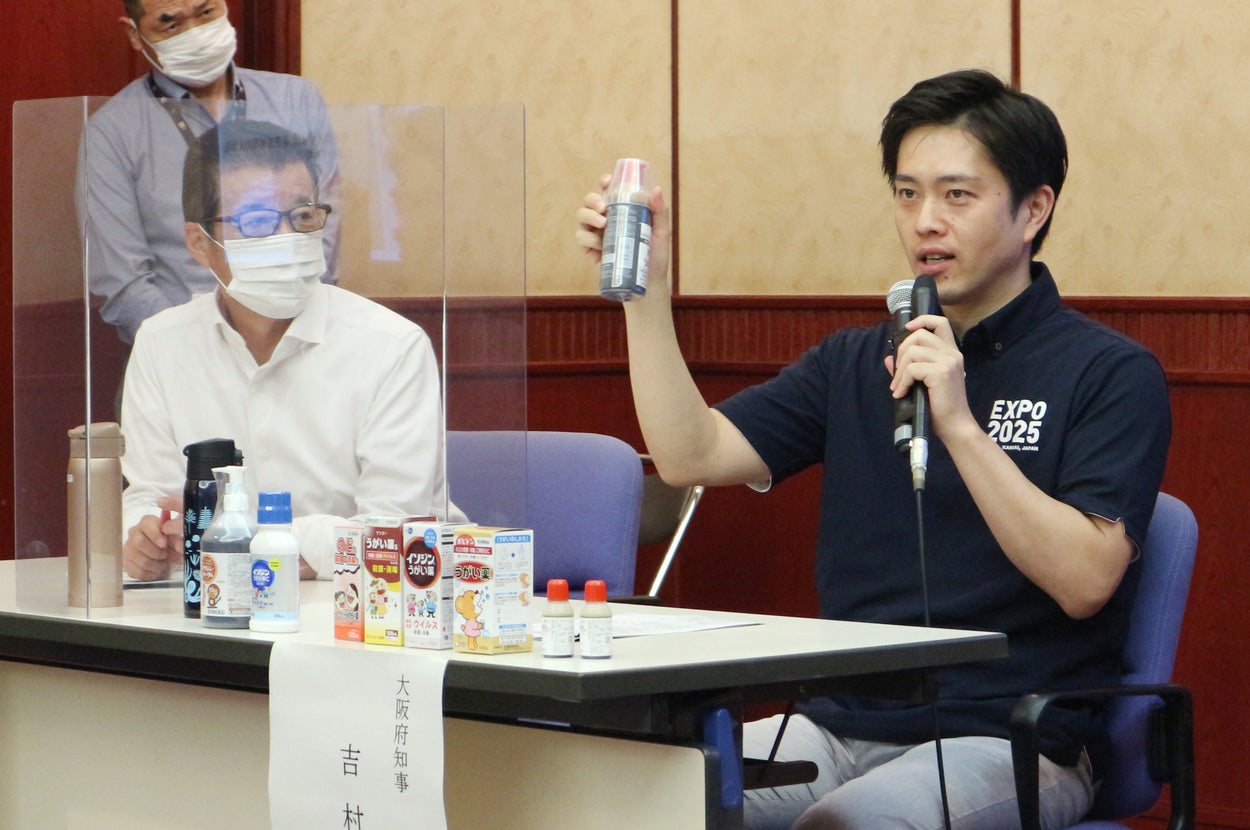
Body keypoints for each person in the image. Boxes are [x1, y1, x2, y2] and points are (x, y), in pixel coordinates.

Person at [576, 69, 1171, 829]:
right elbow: (693, 456)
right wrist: (646, 296)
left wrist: (959, 425)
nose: (926, 222)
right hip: (835, 724)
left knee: (853, 824)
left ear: (1033, 209)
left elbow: (1086, 580)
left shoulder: (1108, 372)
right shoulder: (855, 361)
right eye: (907, 193)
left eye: (957, 196)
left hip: (1008, 738)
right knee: (631, 798)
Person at [121, 119, 461, 583]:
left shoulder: (392, 346)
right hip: (212, 603)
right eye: (257, 221)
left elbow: (390, 533)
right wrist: (145, 538)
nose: (286, 239)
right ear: (200, 243)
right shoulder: (162, 343)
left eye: (302, 217)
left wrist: (249, 540)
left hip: (370, 605)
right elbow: (151, 497)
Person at [79, 0, 340, 348]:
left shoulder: (295, 98)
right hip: (179, 353)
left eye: (206, 13)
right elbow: (122, 282)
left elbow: (323, 232)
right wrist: (202, 352)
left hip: (298, 342)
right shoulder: (112, 130)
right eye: (171, 24)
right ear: (135, 35)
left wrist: (288, 335)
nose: (196, 33)